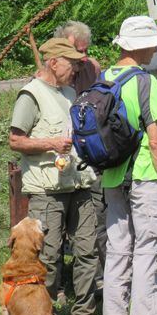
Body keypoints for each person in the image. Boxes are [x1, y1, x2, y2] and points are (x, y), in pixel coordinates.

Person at [9, 38, 98, 315]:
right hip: (47, 192)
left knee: (87, 252)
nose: (76, 68)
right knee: (46, 257)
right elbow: (15, 140)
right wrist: (51, 143)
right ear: (54, 62)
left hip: (79, 185)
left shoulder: (71, 93)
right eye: (72, 63)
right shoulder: (30, 95)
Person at [102, 16, 157, 315]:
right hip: (145, 177)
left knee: (118, 251)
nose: (155, 50)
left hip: (111, 177)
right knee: (148, 252)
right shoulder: (146, 82)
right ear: (142, 46)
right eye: (152, 44)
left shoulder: (104, 77)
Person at [54, 20, 106, 299]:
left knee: (94, 219)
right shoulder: (47, 77)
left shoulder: (92, 68)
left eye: (86, 51)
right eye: (77, 51)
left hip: (86, 157)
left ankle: (92, 282)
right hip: (59, 157)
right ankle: (58, 285)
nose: (82, 58)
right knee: (58, 226)